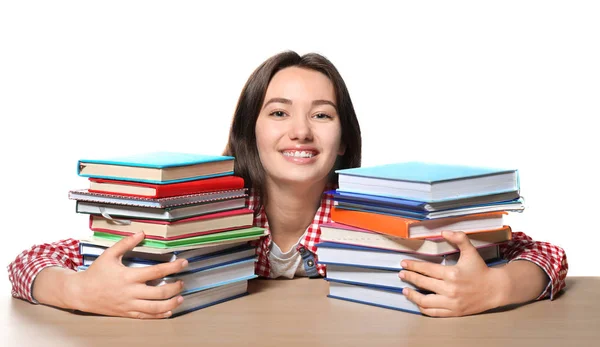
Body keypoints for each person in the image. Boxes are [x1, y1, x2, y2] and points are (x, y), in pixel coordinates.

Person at [7, 51, 568, 318]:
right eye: (278, 113)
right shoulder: (201, 212)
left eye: (322, 115)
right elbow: (33, 259)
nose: (301, 130)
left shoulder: (383, 216)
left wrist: (494, 289)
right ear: (249, 129)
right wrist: (79, 291)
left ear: (344, 138)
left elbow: (543, 253)